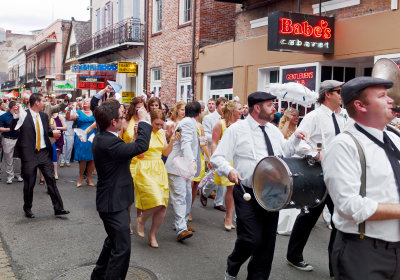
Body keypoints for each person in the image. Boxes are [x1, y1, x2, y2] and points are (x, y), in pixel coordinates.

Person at [211, 91, 305, 280]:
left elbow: (284, 152)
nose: (274, 109)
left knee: (267, 243)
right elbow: (217, 157)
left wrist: (295, 139)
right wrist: (229, 170)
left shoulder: (273, 130)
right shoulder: (236, 130)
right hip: (246, 190)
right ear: (257, 108)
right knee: (250, 238)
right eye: (270, 105)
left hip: (272, 193)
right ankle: (233, 265)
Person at [322, 76, 400, 280]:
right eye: (382, 96)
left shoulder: (394, 137)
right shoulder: (343, 146)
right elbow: (348, 205)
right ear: (360, 105)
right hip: (364, 251)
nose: (391, 100)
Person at [286, 80, 346, 275]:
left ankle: (335, 266)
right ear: (327, 94)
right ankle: (294, 256)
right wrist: (314, 153)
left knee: (340, 220)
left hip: (339, 174)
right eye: (339, 91)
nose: (342, 95)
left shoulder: (344, 115)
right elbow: (299, 143)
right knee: (308, 217)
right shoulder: (313, 117)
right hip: (317, 174)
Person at [91, 99, 152, 280]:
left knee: (113, 242)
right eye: (121, 115)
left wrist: (133, 137)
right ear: (113, 122)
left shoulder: (106, 137)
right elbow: (141, 146)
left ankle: (98, 276)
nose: (124, 117)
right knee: (122, 249)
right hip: (112, 204)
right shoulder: (107, 142)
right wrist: (143, 121)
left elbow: (125, 152)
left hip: (115, 201)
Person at [11, 93, 70, 218]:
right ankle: (27, 208)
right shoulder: (23, 115)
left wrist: (53, 132)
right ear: (37, 102)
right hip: (29, 154)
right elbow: (13, 128)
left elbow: (46, 131)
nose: (45, 103)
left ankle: (59, 208)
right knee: (29, 183)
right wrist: (16, 115)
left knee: (51, 180)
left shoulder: (43, 115)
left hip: (43, 152)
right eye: (43, 101)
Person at [135, 109, 180, 248]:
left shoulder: (161, 133)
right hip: (145, 167)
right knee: (156, 199)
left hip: (159, 168)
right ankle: (141, 220)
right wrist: (138, 136)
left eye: (161, 124)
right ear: (151, 121)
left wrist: (172, 140)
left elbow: (165, 152)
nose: (159, 127)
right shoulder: (144, 130)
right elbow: (139, 154)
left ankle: (153, 234)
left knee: (163, 206)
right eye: (156, 124)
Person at [165, 101, 202, 242]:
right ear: (199, 114)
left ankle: (182, 223)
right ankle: (181, 229)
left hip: (182, 167)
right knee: (180, 197)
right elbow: (185, 143)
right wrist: (192, 161)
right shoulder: (187, 123)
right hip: (178, 166)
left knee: (186, 195)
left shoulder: (187, 122)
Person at [211, 101, 242, 230]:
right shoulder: (221, 124)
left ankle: (229, 215)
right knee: (229, 187)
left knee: (233, 189)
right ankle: (228, 216)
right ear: (232, 110)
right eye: (239, 109)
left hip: (238, 160)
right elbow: (214, 142)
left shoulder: (241, 124)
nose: (242, 111)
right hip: (225, 159)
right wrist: (213, 158)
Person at [201, 97, 227, 212]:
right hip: (214, 149)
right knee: (213, 177)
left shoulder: (228, 119)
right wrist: (219, 138)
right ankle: (204, 192)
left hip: (226, 151)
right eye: (222, 104)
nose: (224, 106)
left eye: (226, 104)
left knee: (224, 176)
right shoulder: (208, 118)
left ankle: (219, 202)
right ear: (217, 106)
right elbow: (205, 135)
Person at [66, 98, 96, 187]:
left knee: (92, 158)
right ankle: (80, 178)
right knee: (83, 158)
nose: (85, 102)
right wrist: (69, 110)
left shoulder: (95, 112)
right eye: (84, 101)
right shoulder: (79, 112)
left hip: (93, 135)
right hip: (81, 136)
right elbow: (69, 118)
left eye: (87, 101)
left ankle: (89, 178)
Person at [0, 101, 23, 184]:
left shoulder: (20, 116)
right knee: (8, 158)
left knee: (18, 158)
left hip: (18, 139)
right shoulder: (3, 116)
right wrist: (10, 129)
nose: (19, 106)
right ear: (13, 107)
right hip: (7, 139)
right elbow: (0, 128)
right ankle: (10, 176)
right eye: (17, 105)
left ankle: (17, 174)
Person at [51, 112, 67, 180]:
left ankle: (55, 171)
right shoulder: (47, 115)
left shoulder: (59, 116)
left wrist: (55, 128)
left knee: (56, 156)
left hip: (59, 137)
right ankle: (51, 170)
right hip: (50, 137)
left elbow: (65, 127)